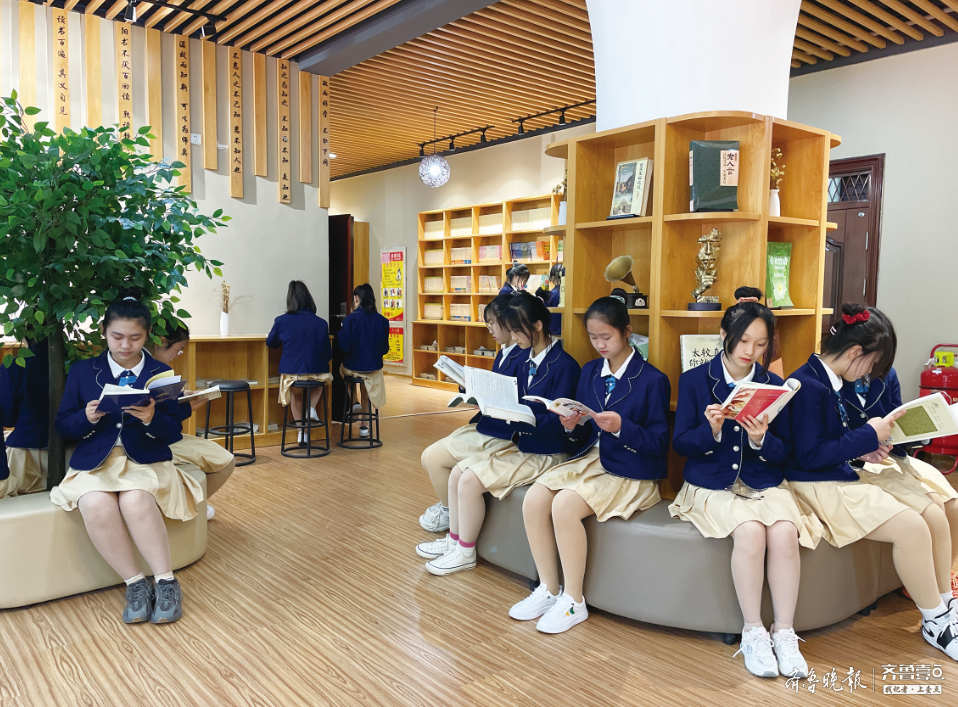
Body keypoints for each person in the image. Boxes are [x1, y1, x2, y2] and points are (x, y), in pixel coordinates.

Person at [785, 303, 958, 662]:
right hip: (817, 484)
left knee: (930, 514)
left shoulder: (827, 379)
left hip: (840, 474)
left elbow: (832, 442)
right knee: (912, 526)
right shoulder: (808, 385)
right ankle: (936, 621)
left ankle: (943, 608)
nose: (872, 372)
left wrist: (865, 446)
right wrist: (867, 436)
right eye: (873, 363)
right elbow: (809, 456)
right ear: (855, 353)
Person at [669, 288, 820, 678]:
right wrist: (711, 430)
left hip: (762, 481)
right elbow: (681, 444)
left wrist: (760, 439)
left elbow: (783, 451)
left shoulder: (774, 384)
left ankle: (784, 632)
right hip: (710, 483)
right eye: (743, 341)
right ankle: (752, 631)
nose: (750, 351)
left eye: (761, 344)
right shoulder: (695, 381)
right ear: (724, 335)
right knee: (751, 531)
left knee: (784, 531)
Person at [510, 295, 669, 633]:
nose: (599, 344)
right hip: (590, 459)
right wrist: (572, 423)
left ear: (627, 331)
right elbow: (584, 428)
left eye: (606, 337)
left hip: (630, 470)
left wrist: (622, 427)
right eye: (593, 337)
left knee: (564, 505)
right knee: (535, 496)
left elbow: (659, 443)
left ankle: (574, 600)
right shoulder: (590, 371)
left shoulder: (652, 379)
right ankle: (549, 588)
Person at [52, 293, 204, 625]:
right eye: (117, 336)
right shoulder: (83, 371)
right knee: (93, 502)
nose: (125, 345)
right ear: (104, 332)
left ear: (147, 335)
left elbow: (171, 431)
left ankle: (166, 582)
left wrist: (152, 417)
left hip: (145, 458)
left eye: (135, 338)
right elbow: (63, 426)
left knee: (136, 499)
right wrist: (86, 417)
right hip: (97, 459)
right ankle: (135, 584)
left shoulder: (160, 372)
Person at [419, 293, 581, 576]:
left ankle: (465, 551)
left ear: (538, 325)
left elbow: (561, 424)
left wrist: (525, 417)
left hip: (546, 450)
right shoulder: (525, 359)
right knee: (457, 473)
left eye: (517, 330)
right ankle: (455, 541)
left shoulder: (565, 365)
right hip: (522, 441)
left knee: (468, 478)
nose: (513, 337)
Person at [843, 362, 958, 601]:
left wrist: (925, 430)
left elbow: (897, 417)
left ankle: (943, 579)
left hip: (890, 455)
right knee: (932, 509)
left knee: (954, 505)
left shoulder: (888, 374)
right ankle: (934, 592)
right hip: (858, 460)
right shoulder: (834, 379)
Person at [418, 295, 527, 533]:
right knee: (430, 457)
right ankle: (449, 509)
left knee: (433, 458)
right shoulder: (505, 352)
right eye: (487, 323)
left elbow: (516, 399)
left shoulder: (522, 355)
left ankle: (450, 512)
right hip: (489, 425)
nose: (490, 329)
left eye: (493, 323)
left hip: (501, 432)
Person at [147, 323, 233, 520]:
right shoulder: (160, 371)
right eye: (179, 349)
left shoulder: (141, 366)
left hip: (157, 438)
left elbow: (160, 410)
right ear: (161, 341)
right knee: (226, 461)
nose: (178, 355)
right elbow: (167, 425)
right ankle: (192, 504)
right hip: (161, 442)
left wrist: (181, 397)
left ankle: (193, 503)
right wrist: (187, 407)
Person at [266, 281, 333, 446]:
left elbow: (270, 343)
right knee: (322, 380)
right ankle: (311, 408)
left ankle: (301, 433)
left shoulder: (281, 321)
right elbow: (328, 354)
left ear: (290, 300)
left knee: (296, 394)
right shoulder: (321, 323)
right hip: (316, 373)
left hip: (292, 374)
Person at [339, 284, 390, 438]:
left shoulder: (350, 320)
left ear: (356, 299)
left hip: (353, 366)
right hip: (373, 368)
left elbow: (345, 347)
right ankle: (365, 426)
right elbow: (385, 349)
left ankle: (355, 401)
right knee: (367, 384)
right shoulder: (382, 321)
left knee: (342, 369)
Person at [0, 338, 50, 497]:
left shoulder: (13, 365)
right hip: (71, 451)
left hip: (25, 454)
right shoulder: (74, 362)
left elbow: (6, 417)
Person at [546, 263, 563, 336]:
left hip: (553, 332)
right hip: (567, 331)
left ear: (553, 277)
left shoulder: (552, 295)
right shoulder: (570, 293)